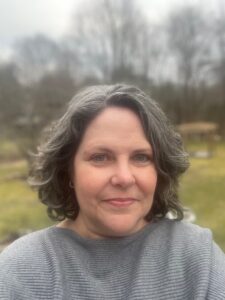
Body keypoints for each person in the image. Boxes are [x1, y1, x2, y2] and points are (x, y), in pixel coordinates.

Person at [0, 84, 224, 299]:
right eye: (100, 157)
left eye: (141, 157)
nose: (124, 178)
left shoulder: (197, 257)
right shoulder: (20, 270)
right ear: (68, 171)